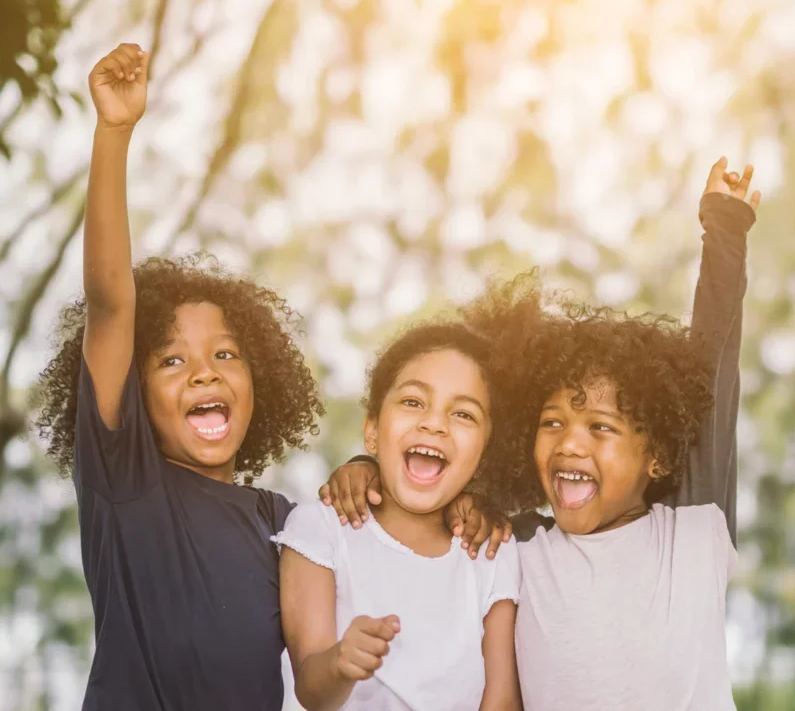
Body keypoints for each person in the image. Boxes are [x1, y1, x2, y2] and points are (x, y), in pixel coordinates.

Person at [321, 160, 760, 709]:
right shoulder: (518, 545)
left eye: (601, 427)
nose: (570, 442)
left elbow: (713, 365)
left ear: (659, 454)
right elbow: (427, 482)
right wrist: (365, 470)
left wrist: (725, 227)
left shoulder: (695, 529)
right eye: (551, 422)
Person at [34, 43, 325, 710]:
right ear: (133, 395)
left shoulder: (280, 521)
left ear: (262, 382)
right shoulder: (125, 482)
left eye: (225, 355)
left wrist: (367, 467)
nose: (203, 373)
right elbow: (112, 302)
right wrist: (114, 132)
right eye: (171, 360)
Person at [277, 323, 523, 710]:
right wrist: (340, 663)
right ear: (372, 431)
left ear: (483, 457)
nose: (434, 423)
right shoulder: (321, 529)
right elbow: (311, 689)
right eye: (413, 402)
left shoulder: (491, 553)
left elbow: (502, 699)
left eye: (463, 414)